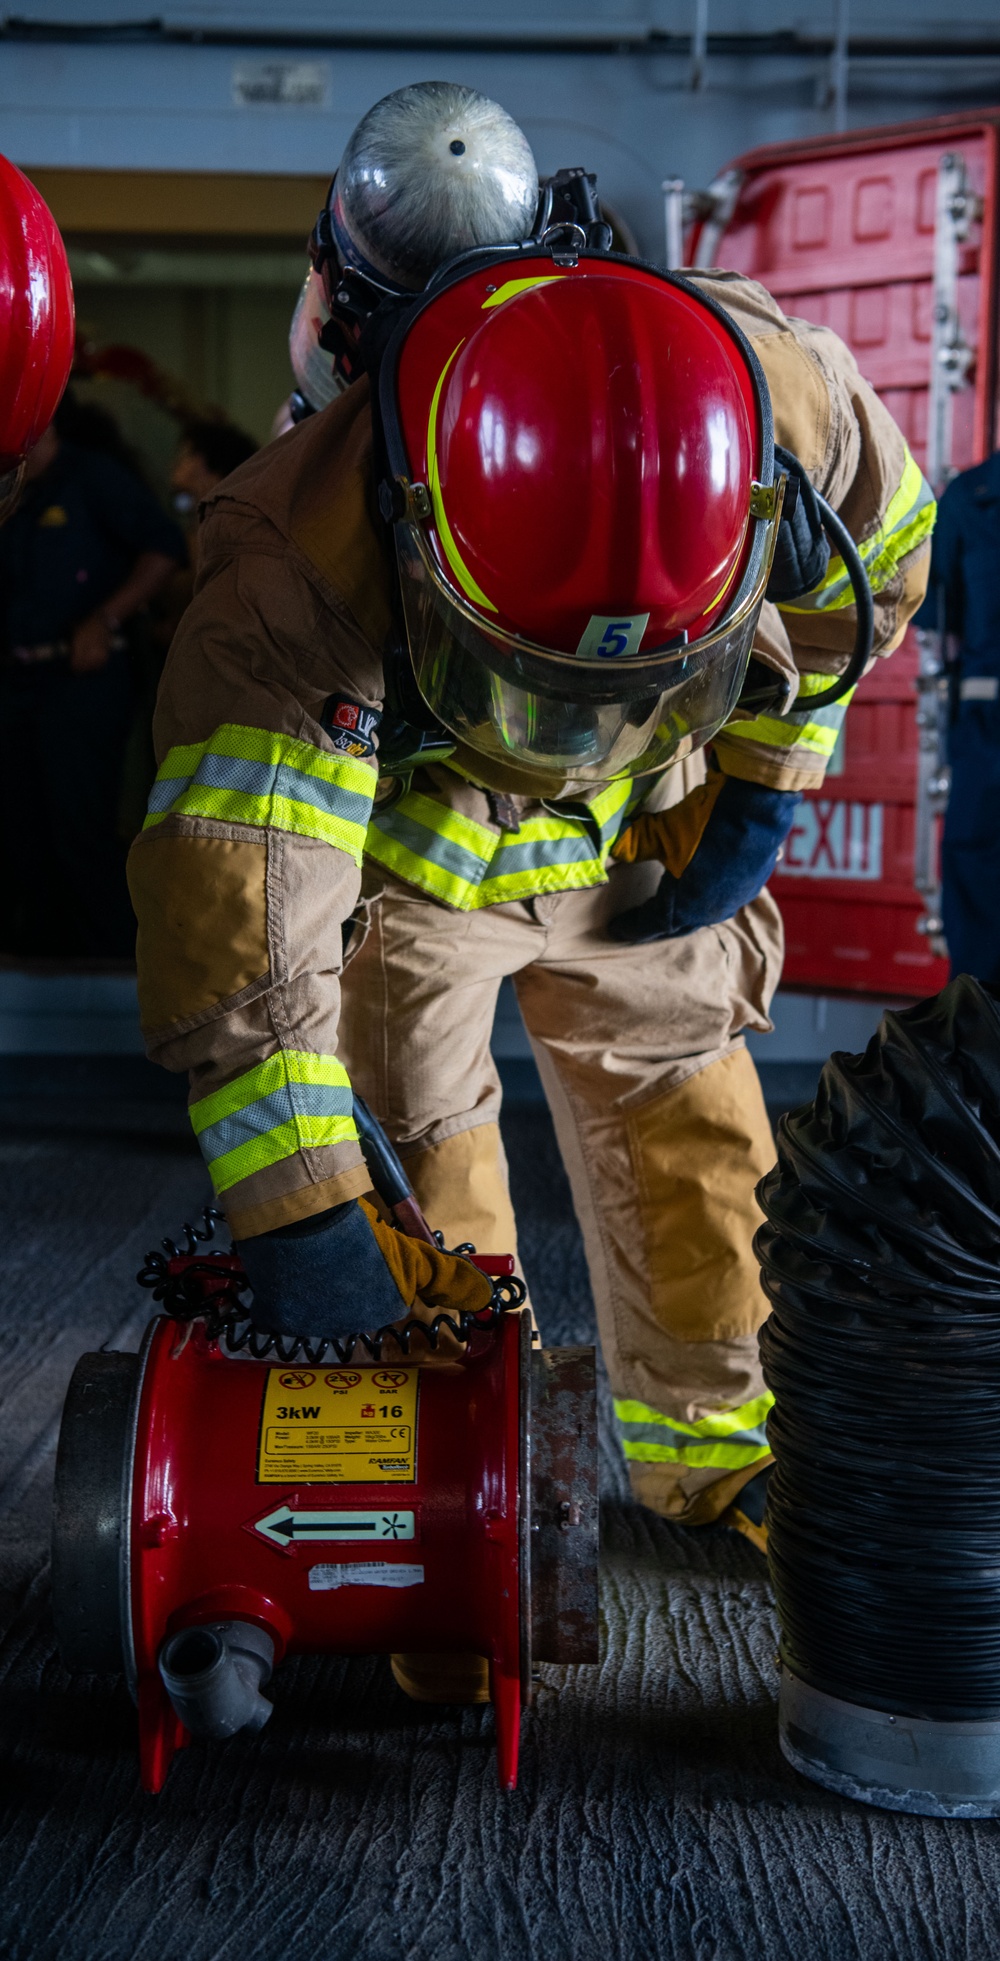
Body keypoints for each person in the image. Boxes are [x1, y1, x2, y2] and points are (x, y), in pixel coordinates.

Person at [127, 81, 934, 1642]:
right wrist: (301, 1211)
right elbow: (244, 931)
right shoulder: (294, 561)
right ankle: (462, 1506)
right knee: (429, 1184)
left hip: (648, 832)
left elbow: (878, 556)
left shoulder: (768, 390)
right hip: (423, 876)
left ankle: (717, 1452)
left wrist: (765, 776)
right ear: (428, 530)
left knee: (688, 1106)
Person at [0, 390, 185, 957]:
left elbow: (164, 550)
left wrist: (105, 619)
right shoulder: (12, 487)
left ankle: (112, 966)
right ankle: (39, 960)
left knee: (79, 824)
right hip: (17, 680)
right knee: (20, 828)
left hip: (82, 682)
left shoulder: (93, 477)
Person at [915, 449, 1000, 984]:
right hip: (987, 737)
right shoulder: (972, 498)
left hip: (985, 736)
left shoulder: (975, 496)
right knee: (976, 879)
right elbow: (937, 628)